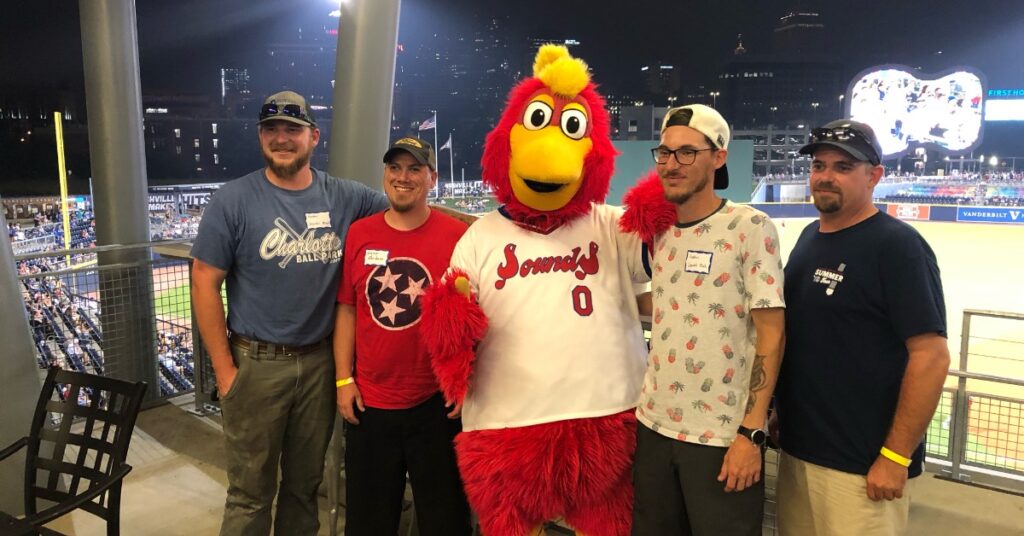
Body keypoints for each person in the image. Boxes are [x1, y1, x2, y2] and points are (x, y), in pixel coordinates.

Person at [190, 90, 389, 536]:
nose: (282, 139)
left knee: (304, 488)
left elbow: (406, 211)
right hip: (254, 364)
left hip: (319, 365)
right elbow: (204, 280)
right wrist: (224, 369)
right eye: (272, 130)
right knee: (249, 494)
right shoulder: (234, 199)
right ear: (261, 136)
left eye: (292, 130)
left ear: (313, 137)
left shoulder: (344, 196)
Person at [773, 119, 950, 535]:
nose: (825, 176)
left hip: (862, 470)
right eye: (819, 165)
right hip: (799, 454)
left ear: (874, 176)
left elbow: (931, 356)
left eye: (842, 166)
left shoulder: (898, 247)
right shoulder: (807, 240)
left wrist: (896, 456)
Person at [628, 104, 786, 535]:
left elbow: (772, 335)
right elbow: (666, 302)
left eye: (686, 153)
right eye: (665, 153)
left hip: (720, 439)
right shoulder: (657, 231)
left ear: (719, 156)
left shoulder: (751, 227)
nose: (671, 164)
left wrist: (751, 434)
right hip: (654, 428)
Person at [334, 137, 472, 536]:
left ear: (432, 178)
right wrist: (344, 378)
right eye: (395, 168)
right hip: (369, 406)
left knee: (445, 519)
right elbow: (347, 307)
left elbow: (471, 314)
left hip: (435, 405)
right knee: (368, 521)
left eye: (414, 169)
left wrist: (462, 379)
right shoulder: (360, 234)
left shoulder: (456, 236)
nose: (402, 177)